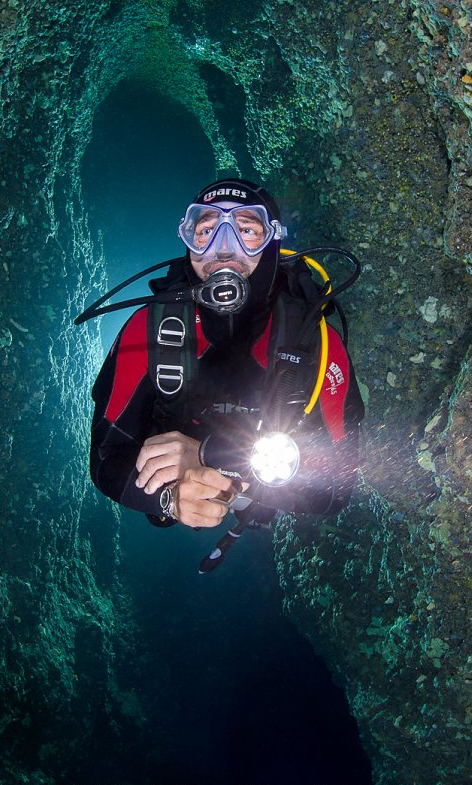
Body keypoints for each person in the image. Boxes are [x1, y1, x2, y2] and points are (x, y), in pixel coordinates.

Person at [89, 178, 364, 533]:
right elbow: (105, 458)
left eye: (246, 229)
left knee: (258, 505)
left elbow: (336, 489)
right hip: (186, 475)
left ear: (272, 243)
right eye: (205, 230)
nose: (222, 249)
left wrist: (207, 456)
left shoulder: (315, 342)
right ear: (188, 243)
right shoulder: (149, 329)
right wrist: (169, 500)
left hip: (268, 484)